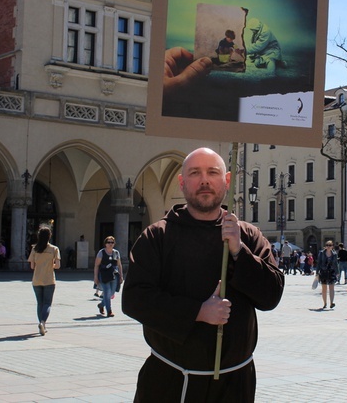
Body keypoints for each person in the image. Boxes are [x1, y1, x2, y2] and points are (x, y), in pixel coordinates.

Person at [121, 147, 283, 401]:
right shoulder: (157, 236)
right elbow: (134, 299)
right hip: (172, 381)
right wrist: (197, 312)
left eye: (213, 172)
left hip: (234, 383)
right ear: (182, 182)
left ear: (227, 180)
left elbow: (271, 296)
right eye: (195, 173)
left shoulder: (248, 236)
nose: (205, 180)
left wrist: (239, 252)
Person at [27, 225, 61, 336]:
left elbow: (32, 266)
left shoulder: (34, 249)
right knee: (47, 303)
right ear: (49, 236)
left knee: (40, 303)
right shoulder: (54, 249)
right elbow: (57, 266)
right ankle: (43, 322)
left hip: (36, 279)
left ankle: (41, 323)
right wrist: (51, 264)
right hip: (49, 279)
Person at [94, 235, 123, 317]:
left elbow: (119, 265)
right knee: (106, 293)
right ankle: (109, 311)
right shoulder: (101, 252)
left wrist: (121, 276)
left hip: (114, 274)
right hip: (104, 274)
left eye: (112, 242)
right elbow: (96, 265)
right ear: (105, 243)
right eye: (108, 242)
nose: (110, 244)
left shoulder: (116, 253)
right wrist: (95, 277)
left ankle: (101, 305)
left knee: (111, 293)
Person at [316, 240, 339, 308]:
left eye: (330, 245)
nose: (328, 247)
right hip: (323, 271)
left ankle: (331, 303)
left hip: (331, 272)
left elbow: (336, 264)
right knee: (324, 288)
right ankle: (325, 303)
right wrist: (317, 272)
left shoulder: (334, 254)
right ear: (325, 246)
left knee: (331, 288)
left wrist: (337, 272)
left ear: (332, 246)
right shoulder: (321, 253)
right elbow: (319, 263)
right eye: (327, 245)